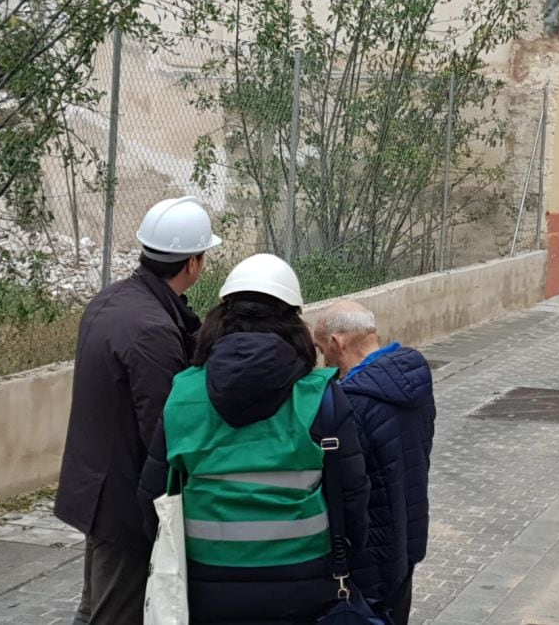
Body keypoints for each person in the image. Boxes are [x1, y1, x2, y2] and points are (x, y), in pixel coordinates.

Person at [139, 253, 371, 625]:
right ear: (295, 320)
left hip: (207, 585)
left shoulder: (183, 395)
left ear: (220, 317)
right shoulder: (321, 399)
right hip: (305, 585)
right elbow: (354, 498)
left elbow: (152, 498)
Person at [56, 196, 221, 624]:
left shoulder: (109, 301)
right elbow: (164, 430)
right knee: (115, 613)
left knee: (94, 606)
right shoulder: (152, 330)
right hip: (124, 502)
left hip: (96, 487)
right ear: (193, 264)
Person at [314, 301, 436, 625]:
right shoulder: (415, 377)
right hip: (407, 538)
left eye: (321, 348)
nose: (323, 359)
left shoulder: (350, 403)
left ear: (338, 343)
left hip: (370, 559)